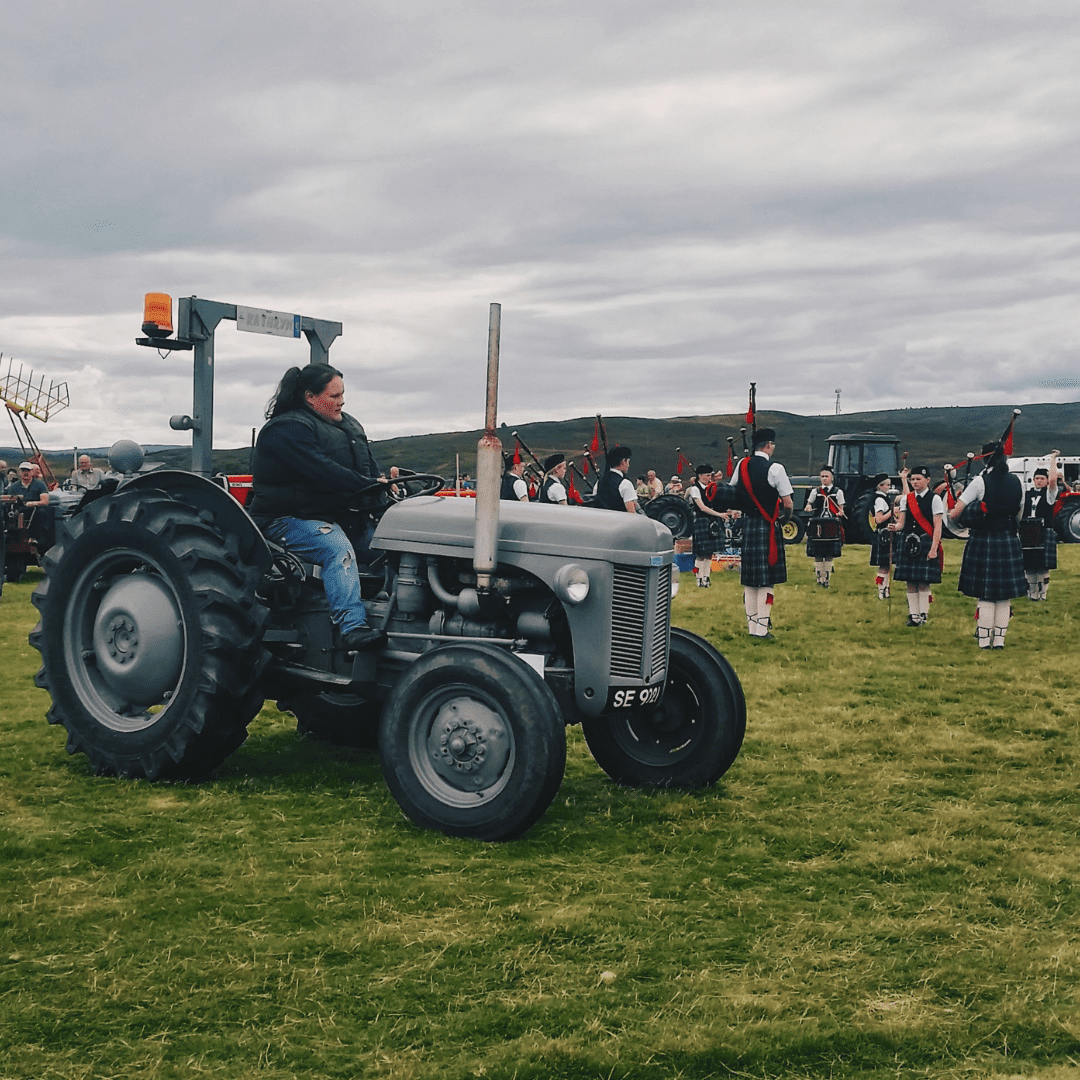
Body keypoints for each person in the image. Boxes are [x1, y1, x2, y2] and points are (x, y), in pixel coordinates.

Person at [248, 364, 387, 651]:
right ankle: (353, 627)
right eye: (334, 395)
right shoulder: (287, 429)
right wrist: (367, 483)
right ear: (310, 397)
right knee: (337, 548)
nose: (342, 401)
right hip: (284, 520)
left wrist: (382, 486)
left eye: (343, 394)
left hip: (335, 517)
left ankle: (390, 609)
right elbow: (323, 470)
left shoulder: (349, 426)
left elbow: (367, 467)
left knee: (393, 546)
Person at [948, 442, 1025, 649]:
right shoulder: (1017, 482)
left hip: (983, 540)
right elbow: (1019, 515)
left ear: (984, 458)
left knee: (986, 594)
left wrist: (959, 522)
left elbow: (956, 512)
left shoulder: (979, 482)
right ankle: (999, 642)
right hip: (1009, 540)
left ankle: (983, 642)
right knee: (1003, 596)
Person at [730, 429, 793, 639]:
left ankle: (752, 628)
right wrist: (785, 518)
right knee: (766, 581)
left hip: (749, 525)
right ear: (768, 445)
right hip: (768, 527)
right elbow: (788, 502)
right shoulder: (776, 468)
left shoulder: (742, 465)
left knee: (750, 580)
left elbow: (734, 491)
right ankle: (762, 629)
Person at [890, 466, 943, 627]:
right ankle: (913, 616)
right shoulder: (907, 499)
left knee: (923, 582)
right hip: (908, 543)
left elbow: (938, 526)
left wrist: (933, 549)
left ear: (927, 480)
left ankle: (923, 615)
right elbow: (902, 523)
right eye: (912, 479)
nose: (915, 482)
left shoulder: (935, 499)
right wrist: (895, 527)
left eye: (918, 479)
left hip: (925, 542)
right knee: (910, 582)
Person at [1021, 452, 1061, 601]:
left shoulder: (1050, 494)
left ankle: (1043, 595)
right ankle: (1032, 593)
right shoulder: (1027, 494)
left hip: (1044, 531)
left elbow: (1053, 480)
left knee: (1043, 565)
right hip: (1028, 531)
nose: (1039, 481)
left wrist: (1052, 460)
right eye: (1036, 478)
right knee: (1030, 565)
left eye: (1042, 478)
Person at [803, 465, 845, 588]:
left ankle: (826, 579)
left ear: (831, 478)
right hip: (817, 525)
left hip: (831, 524)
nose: (824, 479)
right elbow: (808, 505)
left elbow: (841, 509)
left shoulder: (838, 492)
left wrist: (840, 513)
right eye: (822, 476)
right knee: (817, 553)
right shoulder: (815, 492)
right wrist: (808, 508)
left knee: (828, 553)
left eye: (826, 476)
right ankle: (819, 578)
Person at [687, 463, 726, 587]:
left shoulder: (711, 488)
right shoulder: (695, 489)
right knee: (701, 553)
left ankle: (706, 578)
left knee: (709, 553)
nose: (709, 478)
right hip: (701, 521)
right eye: (707, 475)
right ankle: (699, 578)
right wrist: (720, 514)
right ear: (700, 476)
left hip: (712, 522)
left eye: (710, 475)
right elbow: (702, 508)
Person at [868, 473, 895, 600]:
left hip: (886, 535)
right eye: (887, 485)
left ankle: (886, 590)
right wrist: (892, 512)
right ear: (881, 486)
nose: (889, 487)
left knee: (887, 566)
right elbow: (878, 519)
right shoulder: (879, 499)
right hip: (883, 535)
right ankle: (881, 591)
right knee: (884, 566)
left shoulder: (883, 498)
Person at [594, 446, 639, 513]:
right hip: (621, 522)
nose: (628, 465)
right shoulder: (625, 484)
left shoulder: (598, 483)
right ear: (623, 461)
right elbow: (632, 513)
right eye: (628, 462)